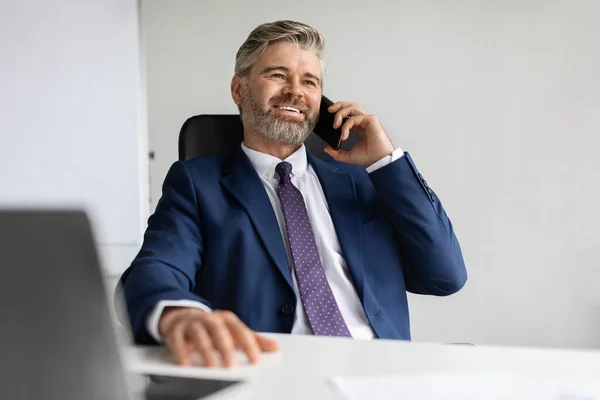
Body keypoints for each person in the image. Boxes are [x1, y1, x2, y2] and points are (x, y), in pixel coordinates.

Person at [119, 20, 467, 368]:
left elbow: (444, 275)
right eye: (278, 75)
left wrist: (385, 162)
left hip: (379, 371)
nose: (295, 91)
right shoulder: (198, 184)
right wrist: (179, 314)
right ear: (239, 90)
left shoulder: (364, 180)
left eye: (310, 82)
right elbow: (158, 266)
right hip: (272, 373)